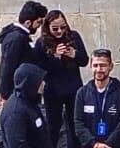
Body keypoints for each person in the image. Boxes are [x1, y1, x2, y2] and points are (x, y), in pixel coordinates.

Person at [37, 10, 89, 148]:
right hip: (53, 91)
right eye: (55, 28)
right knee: (53, 127)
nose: (59, 31)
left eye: (63, 27)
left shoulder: (74, 36)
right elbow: (39, 68)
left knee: (75, 126)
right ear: (48, 27)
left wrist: (74, 55)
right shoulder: (42, 42)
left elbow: (85, 60)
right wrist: (55, 57)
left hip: (73, 89)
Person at [73, 49, 120, 148]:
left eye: (103, 65)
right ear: (90, 67)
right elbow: (78, 123)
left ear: (111, 66)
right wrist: (94, 144)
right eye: (95, 65)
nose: (98, 69)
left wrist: (108, 144)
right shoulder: (82, 93)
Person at [0, 0, 48, 107]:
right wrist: (5, 95)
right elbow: (7, 67)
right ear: (28, 22)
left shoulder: (21, 36)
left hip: (26, 92)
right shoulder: (16, 38)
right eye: (38, 22)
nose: (39, 26)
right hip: (18, 95)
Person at [0, 63, 52, 148]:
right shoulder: (15, 113)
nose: (44, 83)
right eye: (39, 81)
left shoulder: (30, 100)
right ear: (30, 83)